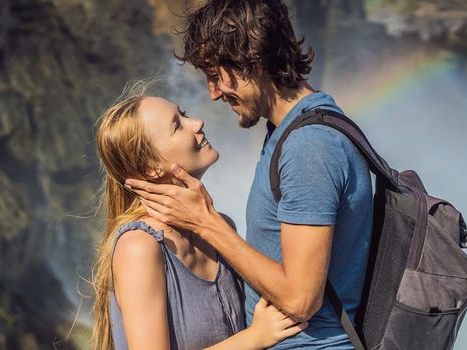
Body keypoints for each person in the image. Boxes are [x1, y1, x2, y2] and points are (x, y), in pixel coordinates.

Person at [124, 0, 374, 348]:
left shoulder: (309, 148)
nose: (212, 94)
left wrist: (206, 222)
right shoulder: (290, 131)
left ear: (251, 61)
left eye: (215, 76)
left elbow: (301, 300)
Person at [91, 90, 308, 350]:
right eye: (177, 125)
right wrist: (255, 337)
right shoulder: (139, 246)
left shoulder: (222, 228)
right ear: (151, 168)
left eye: (184, 114)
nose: (197, 123)